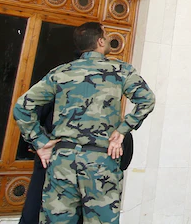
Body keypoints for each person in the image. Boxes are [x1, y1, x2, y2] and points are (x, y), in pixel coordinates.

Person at [13, 22, 154, 224]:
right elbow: (146, 100)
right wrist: (122, 131)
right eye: (105, 36)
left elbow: (22, 107)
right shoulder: (120, 70)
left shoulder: (61, 72)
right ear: (100, 41)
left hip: (63, 161)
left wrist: (40, 143)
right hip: (101, 161)